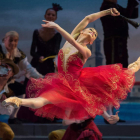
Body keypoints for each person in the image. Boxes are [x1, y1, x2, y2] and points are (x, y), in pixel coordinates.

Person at [2, 8, 138, 123]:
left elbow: (73, 41)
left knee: (128, 71)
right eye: (91, 30)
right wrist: (108, 11)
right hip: (61, 82)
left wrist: (57, 27)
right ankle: (18, 101)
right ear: (82, 31)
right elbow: (88, 18)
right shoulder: (71, 39)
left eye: (95, 34)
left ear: (92, 41)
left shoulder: (86, 51)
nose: (92, 32)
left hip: (76, 83)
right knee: (42, 100)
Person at [18, 3, 62, 123]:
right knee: (30, 89)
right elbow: (33, 51)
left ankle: (47, 116)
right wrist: (38, 57)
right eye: (48, 14)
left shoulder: (57, 34)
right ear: (45, 16)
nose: (50, 16)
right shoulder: (37, 31)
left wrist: (46, 57)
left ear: (55, 18)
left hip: (48, 65)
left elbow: (55, 51)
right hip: (36, 63)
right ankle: (29, 116)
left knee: (47, 91)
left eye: (53, 15)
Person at [100, 0, 139, 122]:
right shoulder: (106, 7)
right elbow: (118, 19)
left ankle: (111, 114)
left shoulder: (116, 6)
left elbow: (131, 14)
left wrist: (131, 2)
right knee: (112, 78)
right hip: (113, 44)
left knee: (118, 79)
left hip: (121, 44)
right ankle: (108, 114)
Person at [0, 31, 43, 124]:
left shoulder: (18, 53)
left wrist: (40, 78)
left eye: (15, 41)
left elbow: (28, 68)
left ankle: (12, 118)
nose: (13, 43)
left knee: (21, 91)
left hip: (7, 82)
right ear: (4, 40)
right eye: (10, 40)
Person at [0, 59, 20, 140]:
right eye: (3, 68)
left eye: (9, 70)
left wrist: (3, 102)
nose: (6, 71)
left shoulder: (10, 91)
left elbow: (7, 112)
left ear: (12, 74)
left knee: (8, 134)